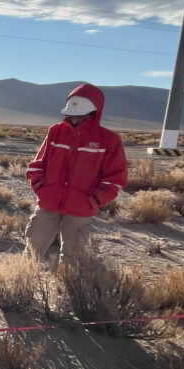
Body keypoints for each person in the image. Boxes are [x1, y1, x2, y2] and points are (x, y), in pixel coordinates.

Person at [25, 83, 127, 265]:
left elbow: (115, 178)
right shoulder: (56, 132)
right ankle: (22, 285)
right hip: (49, 203)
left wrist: (94, 200)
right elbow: (37, 165)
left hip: (81, 208)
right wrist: (42, 189)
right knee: (33, 249)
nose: (73, 118)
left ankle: (68, 289)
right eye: (70, 114)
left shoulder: (109, 140)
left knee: (73, 257)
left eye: (79, 115)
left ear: (93, 113)